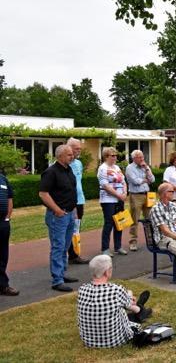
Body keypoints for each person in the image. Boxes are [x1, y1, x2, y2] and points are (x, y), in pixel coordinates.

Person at [77, 255, 152, 348]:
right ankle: (141, 310)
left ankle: (138, 308)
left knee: (120, 307)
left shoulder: (82, 289)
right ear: (107, 272)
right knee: (129, 304)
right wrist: (129, 296)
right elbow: (129, 304)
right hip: (114, 340)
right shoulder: (116, 290)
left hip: (89, 341)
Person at [39, 144, 78, 292]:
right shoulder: (51, 172)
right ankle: (57, 280)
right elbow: (43, 193)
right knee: (58, 246)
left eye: (71, 154)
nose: (72, 156)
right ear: (60, 156)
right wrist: (56, 209)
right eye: (69, 154)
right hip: (58, 216)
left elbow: (71, 191)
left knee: (65, 246)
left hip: (69, 214)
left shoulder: (69, 170)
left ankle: (61, 274)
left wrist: (73, 209)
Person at [98, 147, 128, 257]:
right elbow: (105, 185)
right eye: (112, 155)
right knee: (109, 223)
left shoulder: (117, 167)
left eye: (116, 155)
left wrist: (124, 193)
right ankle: (105, 248)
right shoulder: (102, 168)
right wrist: (118, 195)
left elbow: (124, 181)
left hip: (119, 199)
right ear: (106, 156)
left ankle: (118, 246)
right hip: (108, 200)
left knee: (119, 222)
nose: (115, 157)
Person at [125, 150, 155, 252]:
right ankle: (133, 242)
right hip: (136, 196)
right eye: (139, 157)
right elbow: (135, 181)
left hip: (147, 195)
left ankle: (151, 239)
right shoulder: (130, 168)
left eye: (142, 157)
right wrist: (145, 180)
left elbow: (153, 179)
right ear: (134, 158)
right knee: (135, 219)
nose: (142, 159)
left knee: (149, 218)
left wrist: (146, 169)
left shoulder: (145, 167)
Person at [67, 138, 89, 264]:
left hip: (80, 200)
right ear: (69, 148)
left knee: (76, 228)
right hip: (69, 202)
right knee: (68, 228)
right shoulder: (63, 164)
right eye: (76, 148)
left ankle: (74, 254)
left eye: (80, 148)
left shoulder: (79, 164)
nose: (79, 151)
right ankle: (71, 254)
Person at [0, 171, 17, 296]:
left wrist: (7, 218)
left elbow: (9, 198)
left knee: (2, 256)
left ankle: (3, 285)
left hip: (3, 223)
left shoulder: (3, 179)